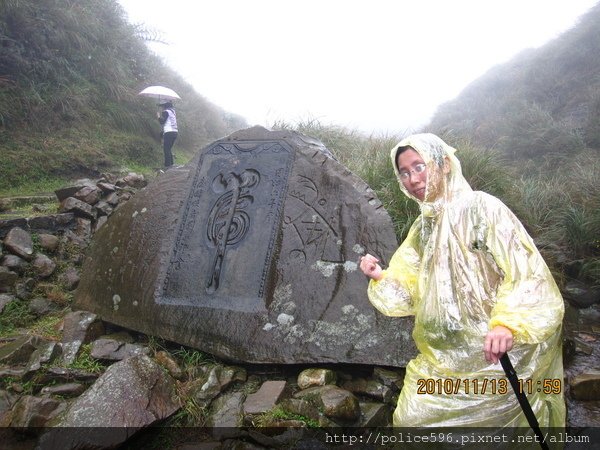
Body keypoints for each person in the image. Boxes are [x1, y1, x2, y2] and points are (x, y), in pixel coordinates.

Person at [359, 133, 565, 428]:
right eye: (404, 172)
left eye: (419, 166)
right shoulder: (424, 227)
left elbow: (527, 271)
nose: (412, 179)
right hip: (444, 358)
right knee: (410, 420)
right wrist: (380, 276)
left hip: (496, 354)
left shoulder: (482, 208)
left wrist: (508, 323)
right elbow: (413, 291)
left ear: (443, 165)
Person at [157, 100, 178, 168]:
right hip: (174, 132)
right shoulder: (173, 111)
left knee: (166, 149)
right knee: (168, 149)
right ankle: (171, 165)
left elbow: (162, 122)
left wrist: (158, 116)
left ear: (165, 106)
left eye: (163, 106)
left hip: (169, 132)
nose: (162, 107)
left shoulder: (166, 112)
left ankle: (167, 166)